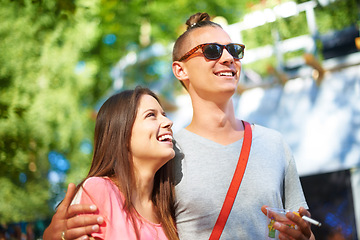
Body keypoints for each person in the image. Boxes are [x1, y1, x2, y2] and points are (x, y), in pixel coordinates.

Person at [43, 12, 315, 240]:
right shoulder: (167, 152)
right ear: (180, 70)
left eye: (234, 50)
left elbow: (303, 228)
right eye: (211, 51)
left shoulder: (274, 144)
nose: (228, 58)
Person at [43, 87, 179, 240]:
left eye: (164, 115)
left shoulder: (170, 212)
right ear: (123, 133)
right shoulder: (99, 190)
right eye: (151, 115)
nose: (168, 122)